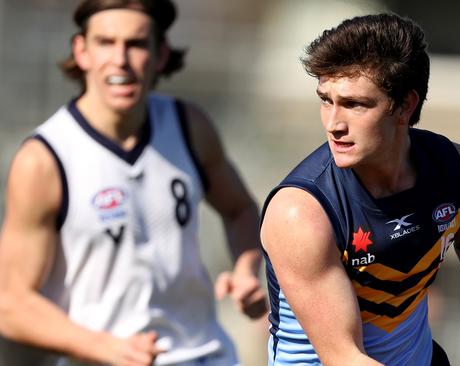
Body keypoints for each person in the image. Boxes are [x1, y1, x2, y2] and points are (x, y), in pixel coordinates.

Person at [260, 13, 460, 365]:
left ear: (405, 105)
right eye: (326, 100)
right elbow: (345, 357)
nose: (334, 123)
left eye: (354, 104)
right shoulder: (301, 213)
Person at [0, 1, 267, 365]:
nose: (120, 59)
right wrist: (102, 346)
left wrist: (246, 268)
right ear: (82, 51)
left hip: (205, 355)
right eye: (106, 42)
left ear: (161, 55)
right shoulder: (44, 158)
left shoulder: (190, 126)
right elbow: (11, 305)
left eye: (137, 44)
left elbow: (239, 209)